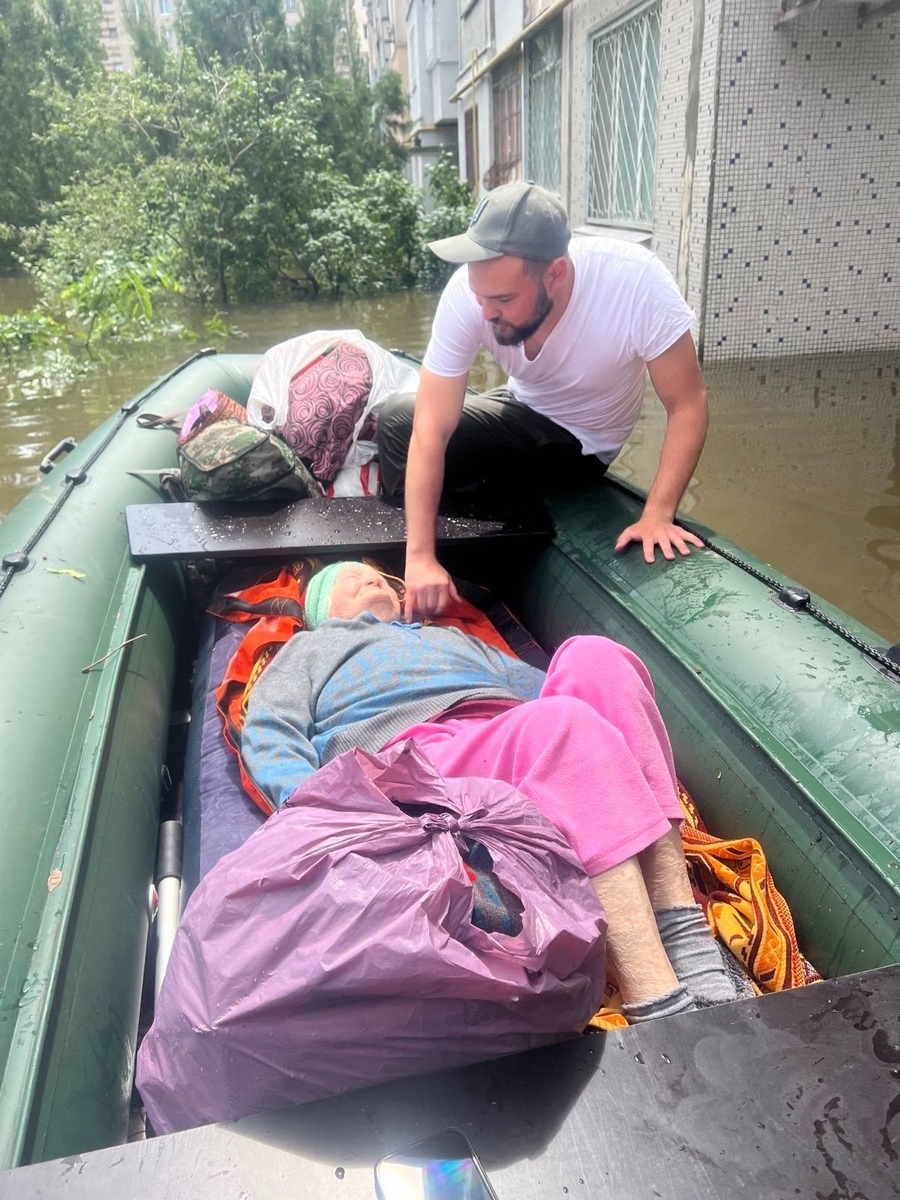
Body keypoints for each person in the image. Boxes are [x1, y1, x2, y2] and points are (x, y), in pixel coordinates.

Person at [242, 561, 746, 1025]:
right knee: (561, 724)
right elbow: (271, 733)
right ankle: (659, 1001)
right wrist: (330, 812)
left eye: (376, 574)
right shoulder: (306, 649)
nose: (372, 579)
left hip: (514, 733)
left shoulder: (454, 639)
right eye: (350, 579)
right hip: (419, 760)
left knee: (598, 656)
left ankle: (684, 932)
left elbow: (547, 690)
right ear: (321, 609)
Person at [375, 182, 710, 620]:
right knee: (399, 420)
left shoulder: (634, 282)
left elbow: (688, 404)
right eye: (480, 296)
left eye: (503, 299)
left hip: (579, 442)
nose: (487, 312)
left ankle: (477, 578)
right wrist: (418, 555)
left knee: (405, 425)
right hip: (519, 407)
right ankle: (438, 568)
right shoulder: (471, 296)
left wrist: (658, 514)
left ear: (555, 273)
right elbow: (430, 426)